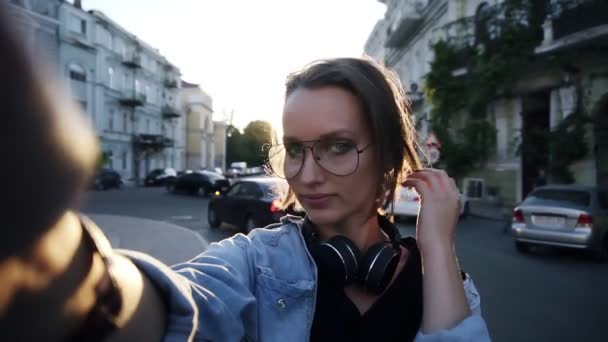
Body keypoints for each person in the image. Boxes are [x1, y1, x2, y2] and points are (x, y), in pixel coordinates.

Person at [0, 8, 490, 341]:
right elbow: (183, 306)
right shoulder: (254, 261)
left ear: (387, 156)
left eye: (338, 147)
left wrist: (437, 248)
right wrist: (55, 260)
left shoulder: (443, 280)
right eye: (296, 149)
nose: (308, 174)